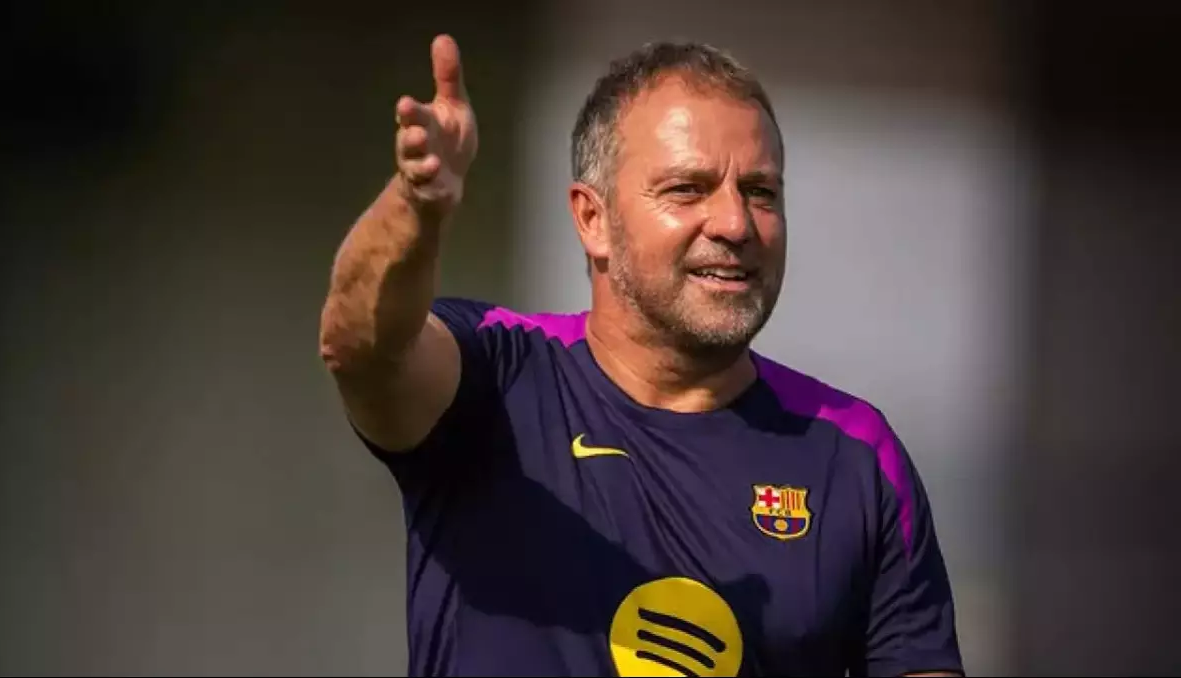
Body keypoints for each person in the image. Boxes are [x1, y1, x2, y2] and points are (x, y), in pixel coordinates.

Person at [318, 33, 964, 678]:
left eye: (761, 192)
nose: (735, 224)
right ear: (592, 219)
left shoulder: (854, 456)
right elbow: (359, 346)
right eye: (688, 189)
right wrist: (416, 208)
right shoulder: (496, 373)